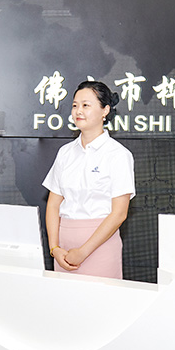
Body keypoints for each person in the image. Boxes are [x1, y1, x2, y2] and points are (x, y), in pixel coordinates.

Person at [43, 81, 135, 278]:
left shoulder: (118, 155)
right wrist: (54, 248)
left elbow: (119, 213)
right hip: (63, 250)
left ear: (105, 110)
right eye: (75, 105)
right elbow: (53, 205)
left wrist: (83, 252)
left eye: (86, 105)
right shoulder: (65, 153)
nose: (78, 111)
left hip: (100, 247)